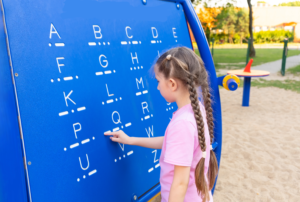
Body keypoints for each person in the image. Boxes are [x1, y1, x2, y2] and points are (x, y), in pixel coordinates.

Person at [104, 47, 218, 202]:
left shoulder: (183, 123)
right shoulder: (196, 110)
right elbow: (170, 142)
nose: (157, 87)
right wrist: (131, 140)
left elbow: (180, 183)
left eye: (158, 81)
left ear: (172, 84)